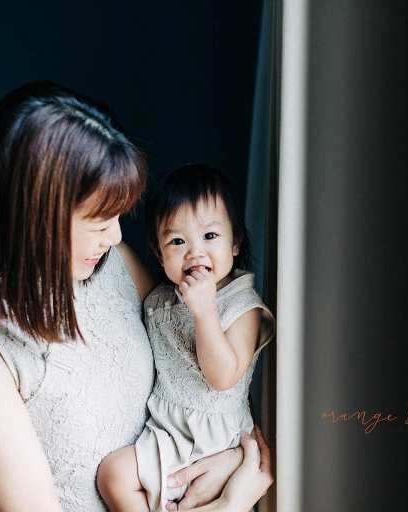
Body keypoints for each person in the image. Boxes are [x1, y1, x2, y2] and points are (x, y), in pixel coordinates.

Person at [0, 81, 273, 512]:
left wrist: (230, 458)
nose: (114, 235)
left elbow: (203, 378)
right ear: (35, 219)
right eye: (98, 221)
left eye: (117, 216)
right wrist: (230, 504)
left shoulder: (115, 263)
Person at [97, 165, 275, 512]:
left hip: (215, 440)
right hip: (166, 430)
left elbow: (223, 377)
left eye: (210, 237)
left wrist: (205, 312)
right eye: (178, 241)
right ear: (160, 253)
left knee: (116, 475)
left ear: (235, 242)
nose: (195, 252)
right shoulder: (161, 298)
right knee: (113, 475)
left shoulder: (242, 305)